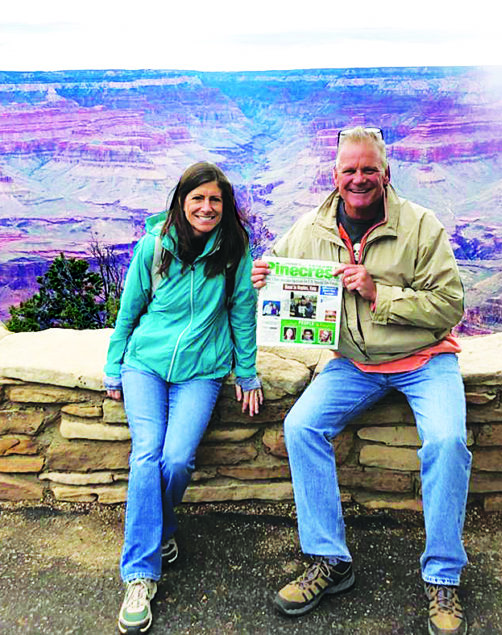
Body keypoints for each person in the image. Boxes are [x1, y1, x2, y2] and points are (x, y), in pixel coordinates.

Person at [252, 127, 470, 635]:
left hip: (424, 359)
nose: (359, 178)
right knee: (301, 426)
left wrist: (381, 293)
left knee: (447, 441)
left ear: (386, 172)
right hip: (352, 364)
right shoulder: (313, 228)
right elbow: (276, 269)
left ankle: (442, 578)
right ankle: (330, 560)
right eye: (349, 169)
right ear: (334, 175)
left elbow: (450, 305)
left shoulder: (421, 226)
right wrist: (264, 276)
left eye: (368, 168)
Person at [104, 162, 263, 634]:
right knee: (146, 456)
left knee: (176, 460)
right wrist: (114, 366)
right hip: (145, 365)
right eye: (198, 199)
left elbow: (241, 314)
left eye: (215, 200)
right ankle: (140, 574)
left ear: (225, 205)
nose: (207, 208)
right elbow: (128, 310)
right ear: (181, 201)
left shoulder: (235, 250)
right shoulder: (154, 247)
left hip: (202, 370)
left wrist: (248, 373)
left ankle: (163, 528)